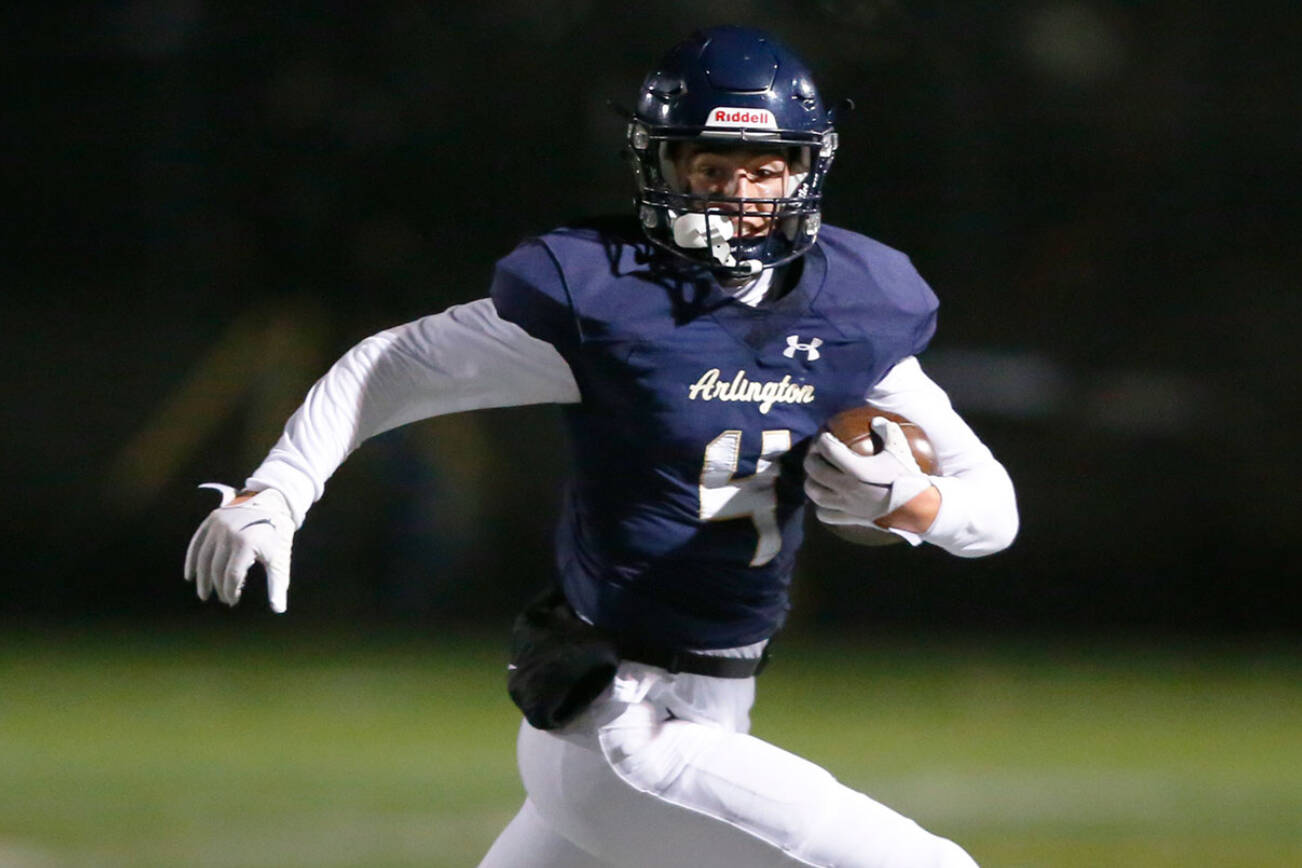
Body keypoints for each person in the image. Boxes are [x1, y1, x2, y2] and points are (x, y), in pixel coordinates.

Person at [184, 25, 1018, 868]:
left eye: (764, 168)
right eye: (711, 168)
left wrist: (913, 503)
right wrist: (279, 488)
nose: (739, 193)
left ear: (806, 169)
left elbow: (994, 511)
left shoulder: (855, 307)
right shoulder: (608, 298)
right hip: (623, 719)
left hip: (712, 701)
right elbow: (396, 363)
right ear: (664, 167)